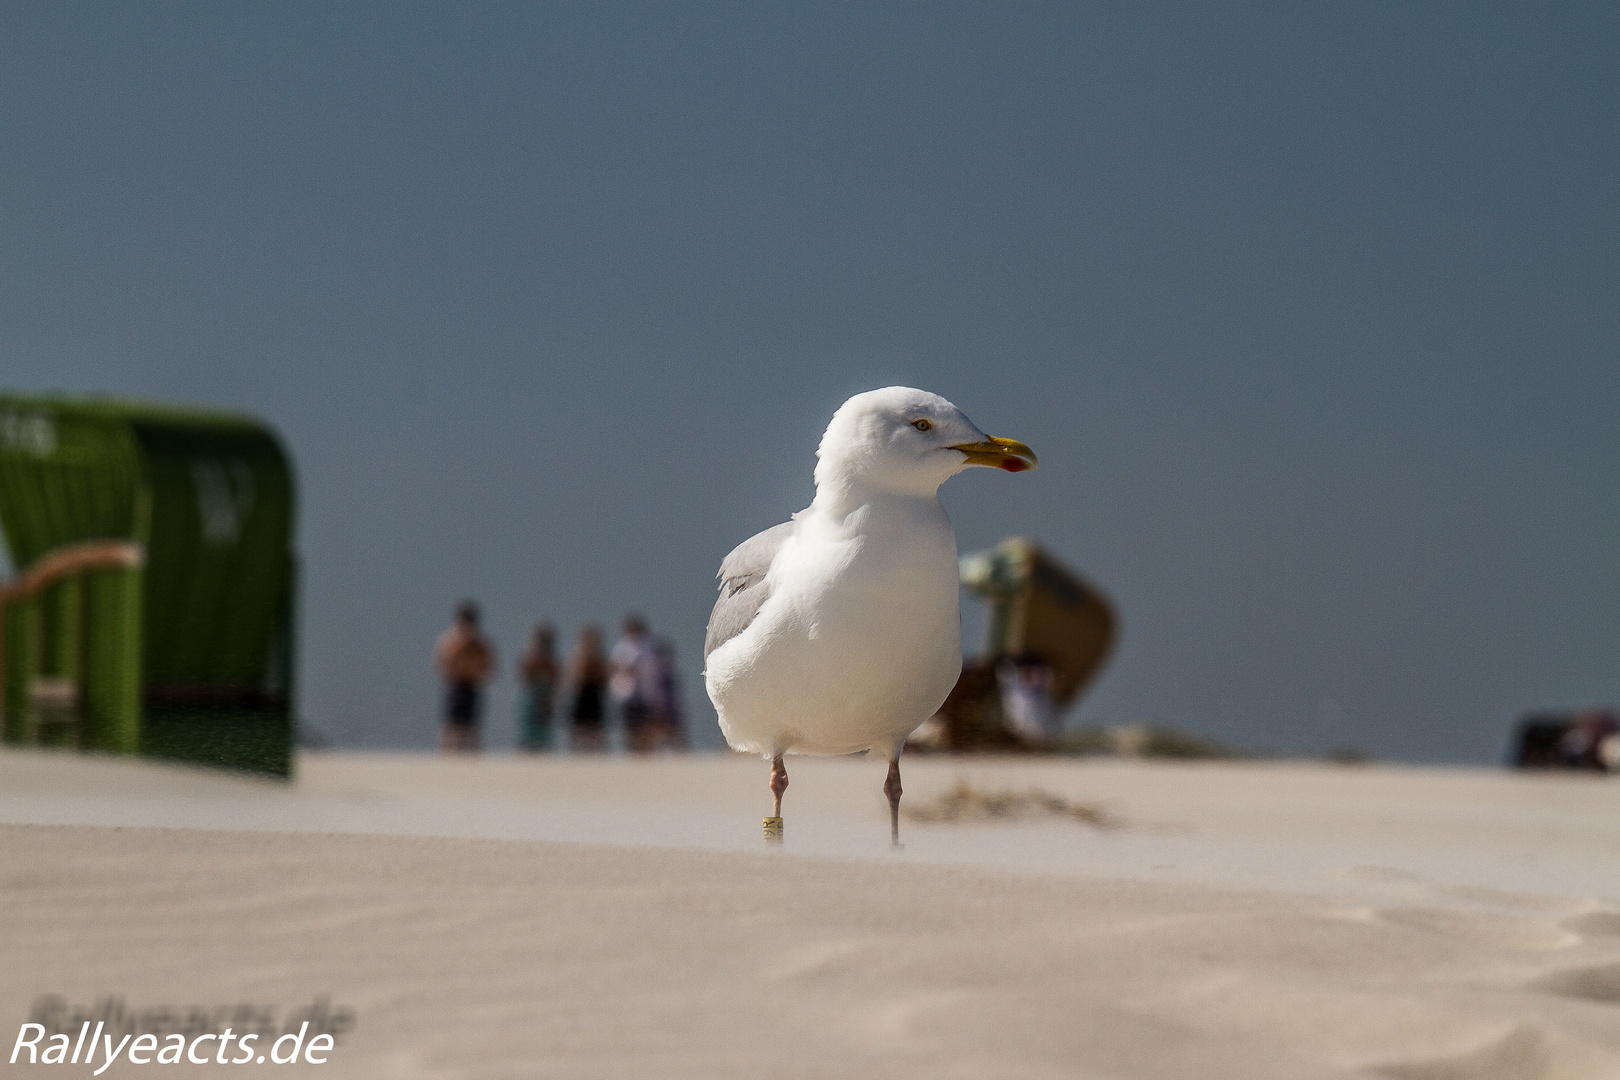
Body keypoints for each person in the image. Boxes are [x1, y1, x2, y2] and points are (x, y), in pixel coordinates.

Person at [434, 600, 494, 752]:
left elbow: (490, 668)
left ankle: (471, 760)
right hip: (456, 687)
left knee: (471, 728)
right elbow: (440, 665)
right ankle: (448, 757)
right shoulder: (450, 640)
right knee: (453, 727)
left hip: (472, 687)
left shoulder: (480, 644)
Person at [610, 614, 656, 753]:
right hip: (627, 691)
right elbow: (615, 666)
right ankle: (631, 748)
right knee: (630, 723)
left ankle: (645, 749)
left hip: (645, 692)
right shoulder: (622, 646)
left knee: (645, 722)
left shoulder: (646, 646)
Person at [567, 625, 609, 752]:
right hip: (582, 693)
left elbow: (603, 677)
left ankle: (596, 751)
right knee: (578, 726)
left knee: (596, 727)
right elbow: (573, 676)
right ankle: (577, 752)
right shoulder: (578, 655)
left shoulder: (599, 657)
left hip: (594, 693)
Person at [518, 623, 559, 751]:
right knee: (528, 734)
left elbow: (555, 682)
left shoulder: (551, 662)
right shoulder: (529, 659)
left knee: (544, 735)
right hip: (532, 700)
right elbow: (524, 681)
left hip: (545, 700)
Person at [648, 636, 688, 751]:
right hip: (662, 710)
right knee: (660, 738)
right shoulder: (661, 672)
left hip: (667, 709)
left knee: (674, 738)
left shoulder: (665, 672)